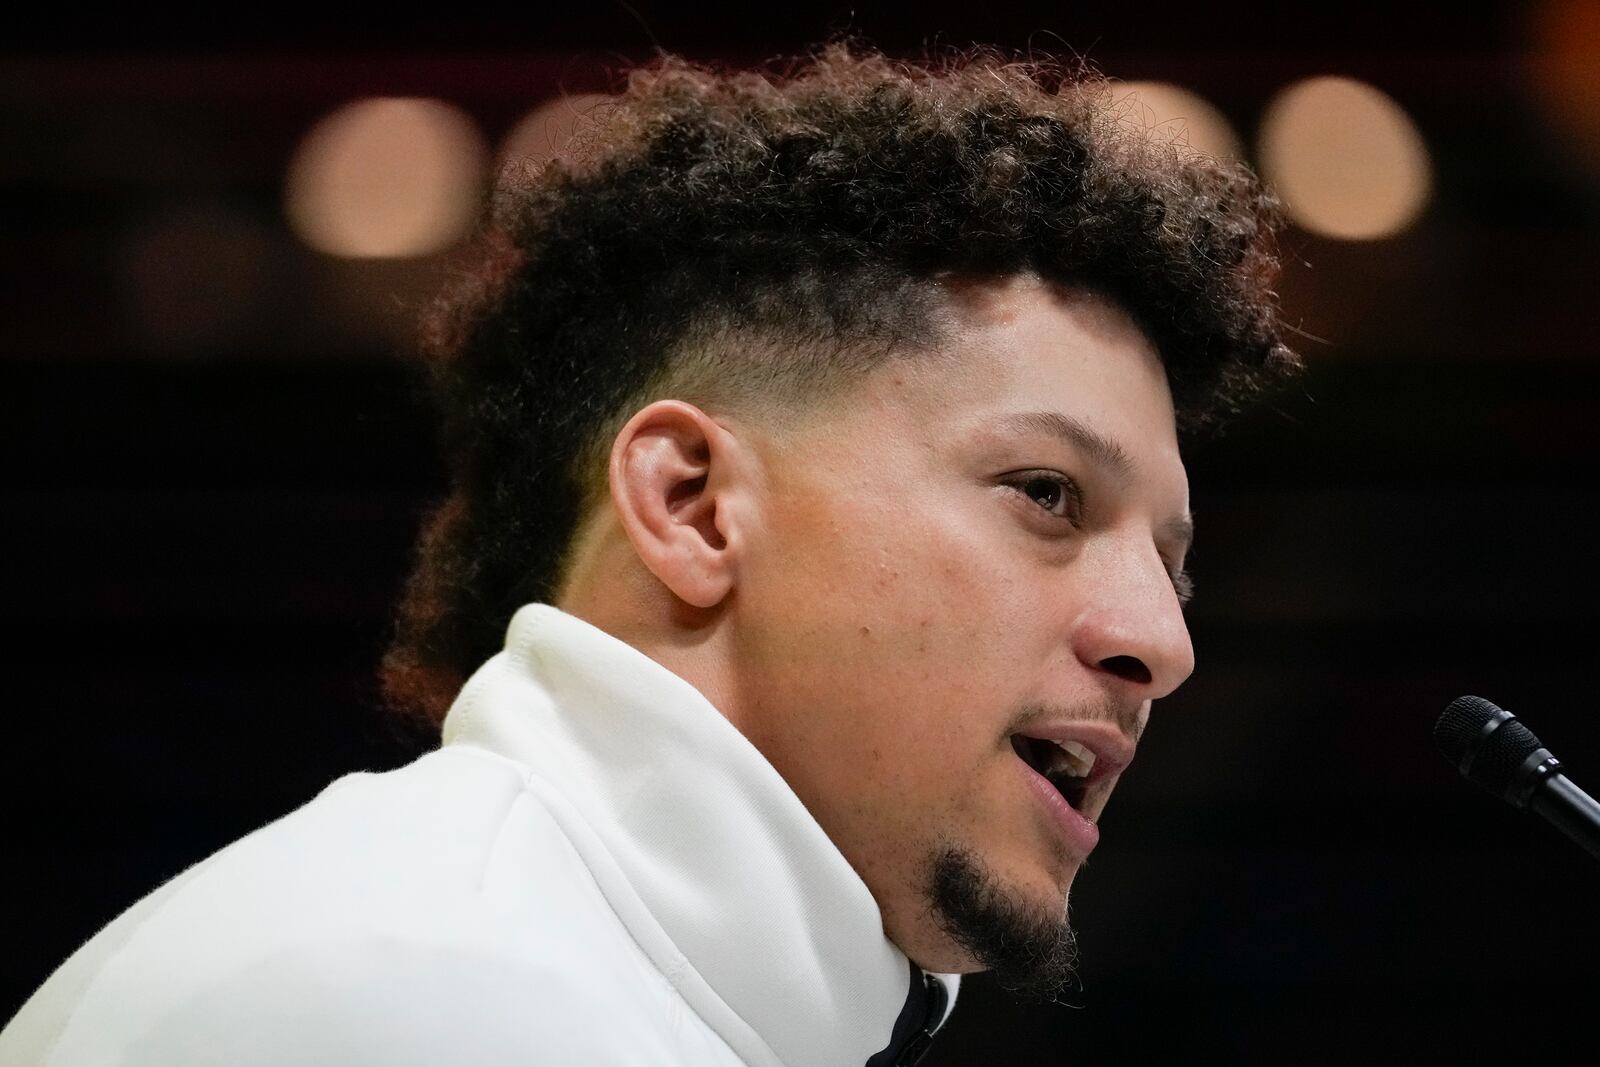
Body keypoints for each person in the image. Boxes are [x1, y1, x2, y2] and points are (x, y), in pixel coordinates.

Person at [0, 45, 1295, 1066]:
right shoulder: (416, 999)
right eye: (1047, 494)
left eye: (1173, 570)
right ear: (691, 505)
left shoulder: (593, 988)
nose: (1160, 642)